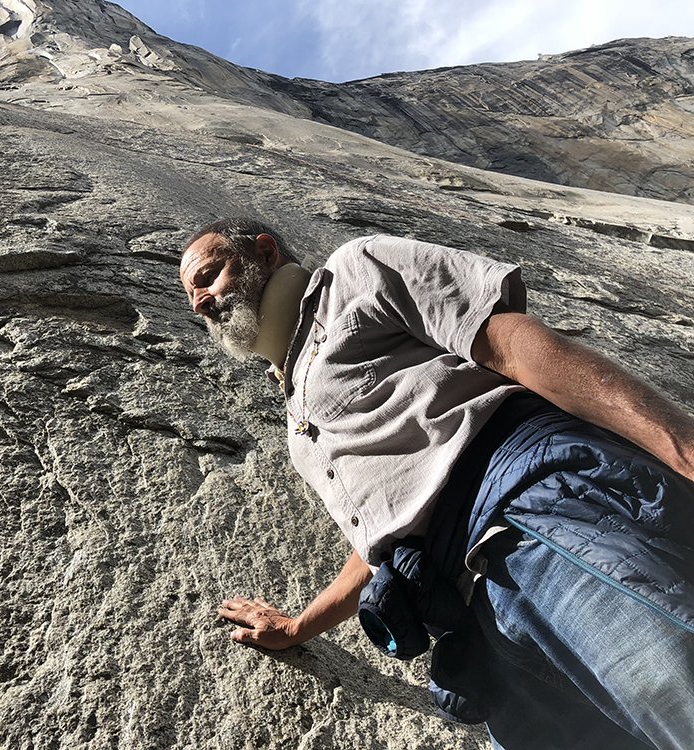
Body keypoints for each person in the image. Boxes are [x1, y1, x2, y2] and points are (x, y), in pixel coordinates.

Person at [179, 217, 694, 750]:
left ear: (265, 252)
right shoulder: (297, 421)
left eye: (209, 276)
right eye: (190, 294)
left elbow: (514, 346)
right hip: (478, 618)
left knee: (674, 689)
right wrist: (298, 628)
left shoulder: (356, 270)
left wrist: (683, 448)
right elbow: (386, 536)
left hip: (527, 513)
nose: (199, 302)